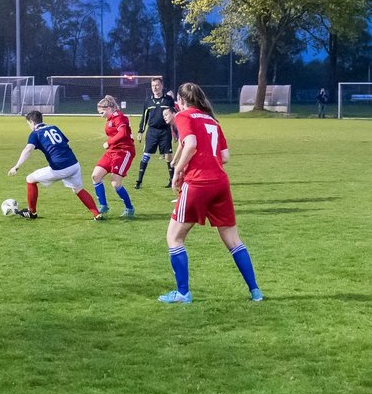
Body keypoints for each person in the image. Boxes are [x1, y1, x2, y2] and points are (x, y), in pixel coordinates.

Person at [159, 82, 262, 304]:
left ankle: (183, 293)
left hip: (198, 183)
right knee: (234, 240)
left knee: (174, 237)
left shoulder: (183, 116)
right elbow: (224, 156)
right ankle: (255, 291)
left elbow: (191, 144)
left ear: (182, 100)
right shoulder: (212, 120)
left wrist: (177, 171)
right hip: (220, 183)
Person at [7, 110, 100, 220]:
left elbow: (28, 149)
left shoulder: (35, 134)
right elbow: (64, 144)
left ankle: (32, 212)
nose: (29, 126)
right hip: (74, 164)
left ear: (32, 121)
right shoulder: (54, 128)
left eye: (28, 123)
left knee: (30, 179)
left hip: (60, 168)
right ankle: (97, 214)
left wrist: (16, 166)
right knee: (78, 189)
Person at [91, 95, 136, 218]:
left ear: (109, 108)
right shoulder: (110, 118)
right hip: (112, 151)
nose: (101, 115)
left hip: (124, 151)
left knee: (115, 183)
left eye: (102, 112)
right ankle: (103, 206)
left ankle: (129, 208)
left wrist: (108, 142)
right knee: (96, 176)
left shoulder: (120, 117)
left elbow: (122, 133)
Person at [134, 76, 176, 189]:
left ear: (162, 86)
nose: (155, 87)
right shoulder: (148, 100)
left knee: (168, 156)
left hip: (165, 131)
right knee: (146, 155)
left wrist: (175, 131)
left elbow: (174, 116)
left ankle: (172, 180)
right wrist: (140, 131)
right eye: (153, 86)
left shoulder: (168, 100)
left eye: (157, 85)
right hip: (152, 131)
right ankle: (139, 181)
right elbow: (144, 116)